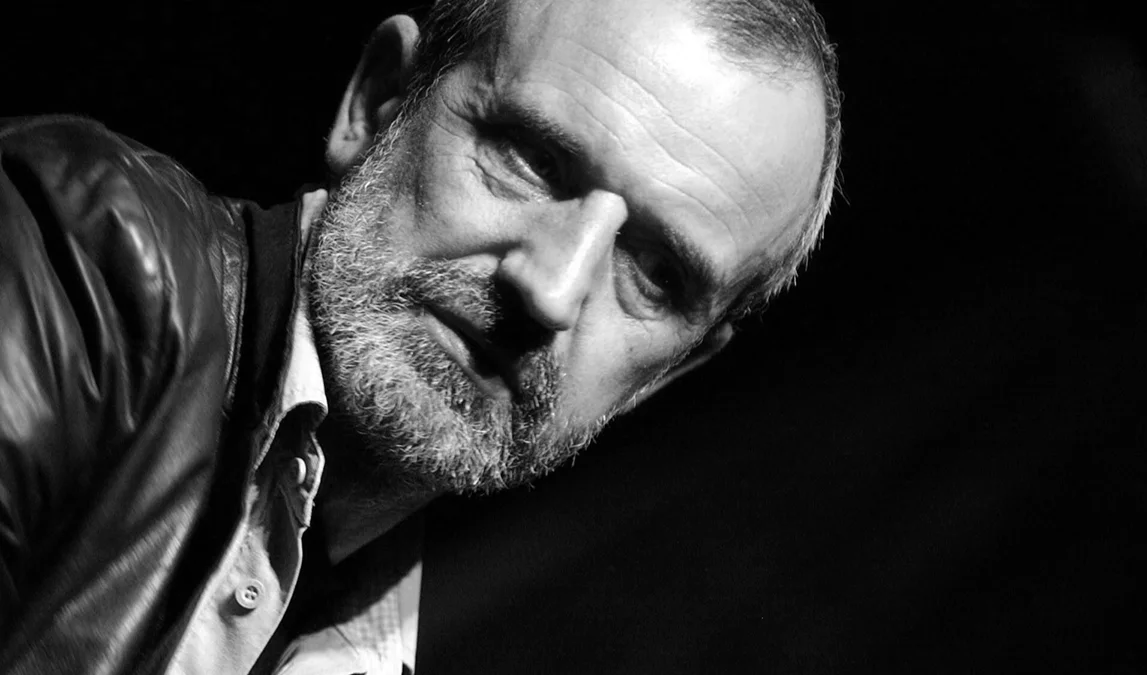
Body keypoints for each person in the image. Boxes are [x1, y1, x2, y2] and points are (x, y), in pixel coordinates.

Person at [0, 0, 841, 672]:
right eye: (533, 159)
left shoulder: (367, 632)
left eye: (654, 273)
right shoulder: (83, 257)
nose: (551, 291)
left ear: (670, 371)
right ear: (376, 104)